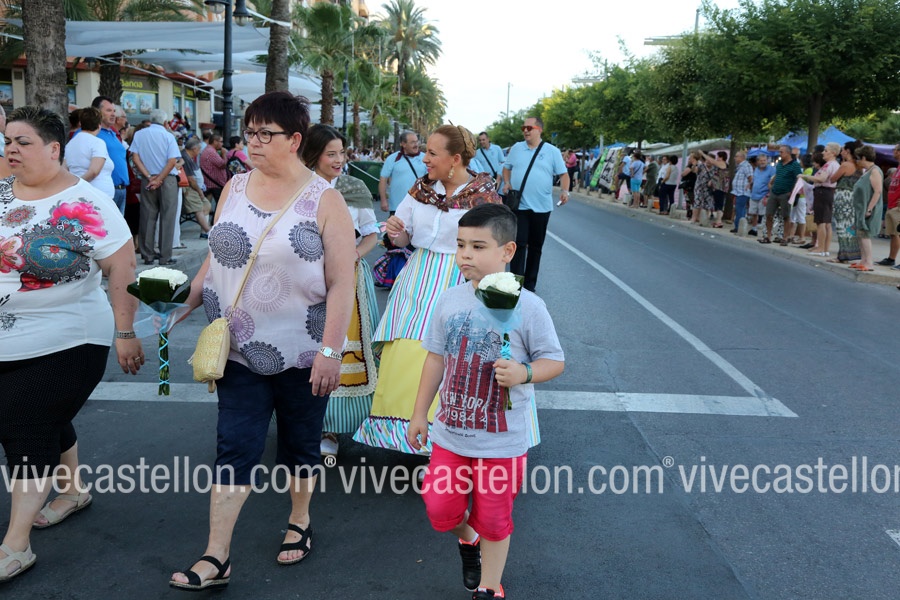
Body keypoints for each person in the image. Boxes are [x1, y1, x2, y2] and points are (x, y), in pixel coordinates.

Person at [168, 92, 356, 591]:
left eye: (264, 134)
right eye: (248, 132)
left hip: (303, 352)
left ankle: (299, 519)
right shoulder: (234, 187)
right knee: (234, 446)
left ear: (294, 140)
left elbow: (343, 282)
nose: (252, 142)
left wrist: (331, 351)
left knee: (300, 445)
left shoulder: (325, 199)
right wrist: (185, 301)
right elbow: (218, 256)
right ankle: (216, 555)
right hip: (238, 349)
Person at [0, 106, 144, 583]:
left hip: (68, 338)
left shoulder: (89, 203)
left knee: (24, 421)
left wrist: (125, 333)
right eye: (8, 141)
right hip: (5, 339)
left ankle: (16, 545)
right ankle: (73, 490)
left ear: (54, 148)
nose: (12, 150)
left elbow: (122, 269)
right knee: (44, 414)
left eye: (22, 142)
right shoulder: (1, 191)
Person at [407, 203, 565, 600]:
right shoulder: (449, 300)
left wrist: (524, 372)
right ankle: (468, 538)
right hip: (451, 434)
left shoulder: (529, 306)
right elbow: (435, 358)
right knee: (440, 509)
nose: (465, 255)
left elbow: (554, 361)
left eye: (478, 247)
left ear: (507, 251)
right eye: (460, 245)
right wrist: (419, 413)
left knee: (495, 519)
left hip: (502, 441)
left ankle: (490, 587)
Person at [355, 124, 501, 454]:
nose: (425, 159)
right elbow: (403, 239)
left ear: (455, 159)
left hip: (462, 278)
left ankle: (447, 444)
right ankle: (406, 434)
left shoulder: (482, 197)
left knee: (454, 356)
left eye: (432, 153)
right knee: (407, 348)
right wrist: (396, 231)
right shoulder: (420, 190)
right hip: (418, 276)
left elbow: (492, 248)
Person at [301, 124, 379, 458]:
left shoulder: (353, 187)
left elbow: (372, 234)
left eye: (342, 153)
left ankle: (334, 426)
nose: (338, 160)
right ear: (313, 155)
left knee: (345, 352)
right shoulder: (298, 187)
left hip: (349, 281)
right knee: (307, 348)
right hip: (306, 279)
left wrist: (352, 255)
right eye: (330, 153)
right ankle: (312, 425)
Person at [501, 116, 568, 292]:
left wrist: (565, 191)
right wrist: (507, 182)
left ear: (539, 130)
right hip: (520, 206)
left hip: (542, 207)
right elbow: (506, 168)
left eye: (529, 128)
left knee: (536, 247)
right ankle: (515, 285)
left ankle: (530, 286)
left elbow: (563, 174)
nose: (525, 131)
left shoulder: (552, 151)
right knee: (519, 244)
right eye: (523, 128)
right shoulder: (516, 148)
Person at [129, 109, 180, 266]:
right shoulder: (168, 136)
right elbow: (172, 161)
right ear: (165, 122)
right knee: (167, 217)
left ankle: (147, 254)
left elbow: (135, 157)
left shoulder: (139, 134)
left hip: (148, 179)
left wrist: (149, 176)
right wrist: (160, 179)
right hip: (167, 179)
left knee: (147, 216)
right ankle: (165, 256)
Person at [64, 106, 115, 201]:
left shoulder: (70, 144)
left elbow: (64, 169)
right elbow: (94, 171)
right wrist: (78, 184)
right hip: (98, 195)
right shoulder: (97, 143)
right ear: (99, 125)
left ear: (81, 123)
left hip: (79, 195)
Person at [799, 142, 840, 256]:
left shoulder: (829, 165)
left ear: (833, 153)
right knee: (827, 223)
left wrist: (805, 176)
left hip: (823, 192)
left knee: (821, 222)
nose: (823, 153)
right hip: (828, 192)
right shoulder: (835, 164)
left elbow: (821, 178)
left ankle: (820, 248)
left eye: (826, 151)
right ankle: (825, 249)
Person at [91, 96, 130, 215]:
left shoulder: (113, 133)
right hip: (105, 190)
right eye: (108, 110)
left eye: (114, 111)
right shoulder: (92, 133)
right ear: (97, 112)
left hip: (121, 190)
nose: (113, 114)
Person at [848, 145, 883, 272]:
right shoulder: (868, 171)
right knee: (860, 234)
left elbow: (877, 191)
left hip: (867, 209)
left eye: (858, 158)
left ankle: (869, 262)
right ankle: (863, 260)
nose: (857, 161)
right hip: (861, 209)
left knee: (865, 235)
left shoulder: (875, 171)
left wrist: (869, 209)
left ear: (864, 157)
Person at [828, 139, 863, 263]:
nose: (841, 152)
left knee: (841, 226)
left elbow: (833, 179)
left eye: (843, 150)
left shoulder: (846, 165)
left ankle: (842, 255)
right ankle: (851, 253)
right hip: (852, 198)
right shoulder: (859, 166)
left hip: (842, 197)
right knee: (849, 227)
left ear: (847, 151)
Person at [760, 145, 802, 245]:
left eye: (781, 152)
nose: (779, 154)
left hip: (785, 193)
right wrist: (771, 182)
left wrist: (792, 192)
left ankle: (785, 238)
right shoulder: (779, 163)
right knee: (769, 214)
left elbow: (799, 178)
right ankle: (768, 236)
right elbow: (778, 174)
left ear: (788, 153)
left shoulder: (795, 165)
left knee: (786, 216)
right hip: (775, 192)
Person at [379, 131, 426, 215]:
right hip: (397, 206)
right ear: (403, 144)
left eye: (416, 141)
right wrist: (383, 200)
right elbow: (383, 179)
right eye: (412, 142)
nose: (416, 145)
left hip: (420, 205)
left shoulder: (425, 158)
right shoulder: (392, 159)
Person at [181, 137, 212, 238]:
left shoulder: (188, 157)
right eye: (199, 149)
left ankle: (205, 231)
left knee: (206, 205)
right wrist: (199, 191)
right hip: (191, 189)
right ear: (194, 149)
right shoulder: (185, 157)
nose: (199, 152)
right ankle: (208, 231)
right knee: (199, 208)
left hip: (195, 188)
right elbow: (190, 179)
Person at [877, 144, 900, 268]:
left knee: (898, 233)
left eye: (895, 150)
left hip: (897, 206)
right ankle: (891, 258)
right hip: (892, 204)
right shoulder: (898, 167)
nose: (893, 152)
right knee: (893, 233)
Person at [748, 153, 774, 236]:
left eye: (764, 160)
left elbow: (773, 181)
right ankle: (754, 229)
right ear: (758, 161)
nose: (763, 162)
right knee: (753, 213)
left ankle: (765, 230)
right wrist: (750, 185)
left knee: (764, 214)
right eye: (761, 160)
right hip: (754, 194)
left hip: (764, 194)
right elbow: (754, 180)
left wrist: (769, 193)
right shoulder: (756, 169)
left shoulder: (771, 169)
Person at [199, 133, 228, 204]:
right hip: (215, 184)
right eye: (221, 142)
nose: (222, 144)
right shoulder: (211, 152)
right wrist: (224, 154)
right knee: (221, 205)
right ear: (215, 141)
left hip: (212, 183)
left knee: (208, 205)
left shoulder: (209, 150)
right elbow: (223, 165)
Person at [730, 151, 752, 233]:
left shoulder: (746, 166)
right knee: (738, 209)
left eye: (736, 156)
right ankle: (737, 226)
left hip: (743, 191)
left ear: (742, 157)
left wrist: (749, 184)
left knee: (740, 209)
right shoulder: (740, 166)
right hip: (738, 191)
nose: (735, 158)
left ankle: (739, 227)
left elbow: (750, 177)